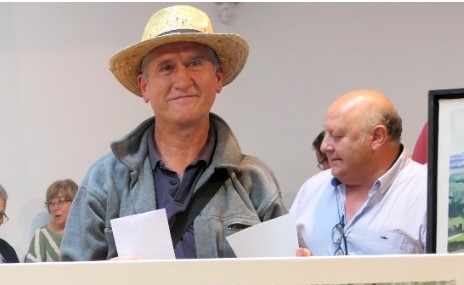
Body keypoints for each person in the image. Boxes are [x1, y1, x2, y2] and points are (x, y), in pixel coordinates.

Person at [60, 4, 285, 261]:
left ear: (218, 77)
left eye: (195, 63)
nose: (182, 80)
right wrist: (109, 282)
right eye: (166, 67)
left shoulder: (254, 181)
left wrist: (303, 274)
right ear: (145, 86)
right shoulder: (104, 181)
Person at [290, 89, 427, 256]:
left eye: (337, 136)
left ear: (377, 137)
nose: (324, 146)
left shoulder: (429, 193)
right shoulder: (311, 189)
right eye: (326, 134)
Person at [25, 178, 78, 262]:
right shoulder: (41, 235)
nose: (55, 208)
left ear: (75, 202)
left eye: (60, 201)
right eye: (51, 203)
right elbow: (31, 272)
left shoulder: (84, 233)